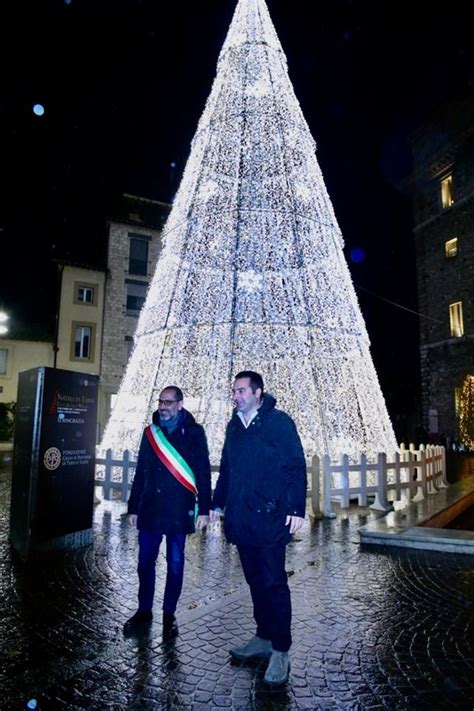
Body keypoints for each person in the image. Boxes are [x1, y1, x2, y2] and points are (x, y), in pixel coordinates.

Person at [210, 371, 307, 686]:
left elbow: (295, 465)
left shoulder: (279, 423)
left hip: (270, 518)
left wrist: (295, 508)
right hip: (241, 520)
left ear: (258, 392)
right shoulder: (234, 426)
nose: (235, 396)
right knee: (254, 582)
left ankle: (280, 649)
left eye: (241, 391)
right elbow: (226, 467)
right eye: (234, 391)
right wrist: (216, 503)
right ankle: (263, 637)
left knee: (273, 584)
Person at [124, 385, 211, 637]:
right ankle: (144, 611)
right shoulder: (150, 433)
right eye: (161, 401)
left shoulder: (195, 433)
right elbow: (141, 470)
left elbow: (203, 472)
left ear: (180, 405)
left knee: (175, 564)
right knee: (144, 563)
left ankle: (169, 614)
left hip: (178, 509)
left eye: (169, 402)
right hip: (150, 508)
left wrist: (203, 508)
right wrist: (133, 508)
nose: (163, 406)